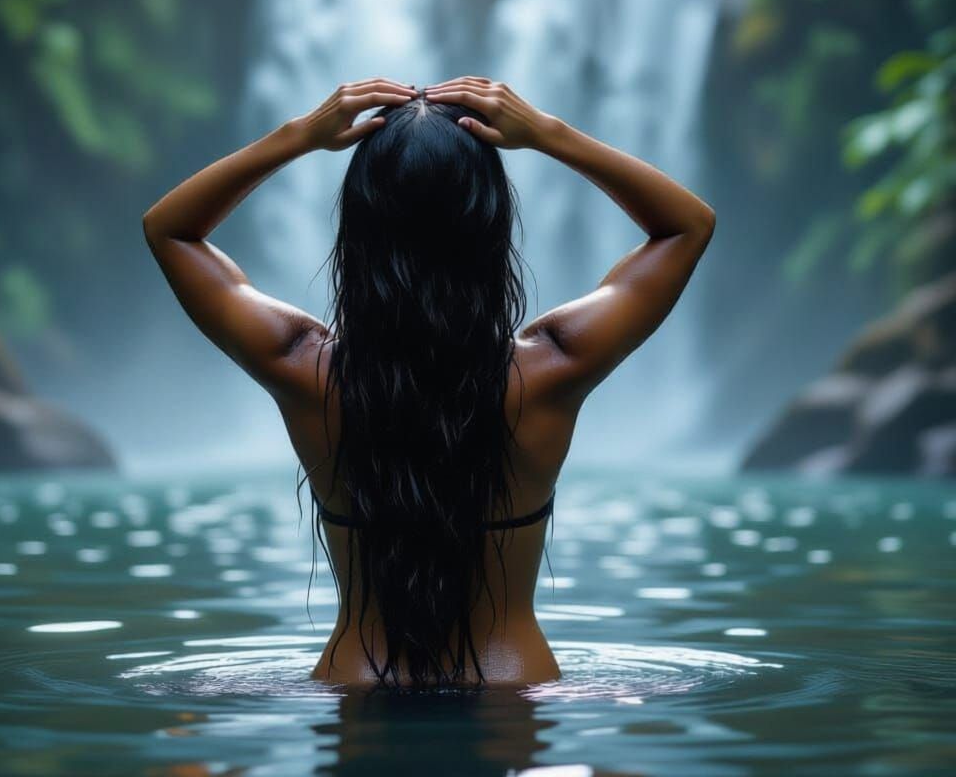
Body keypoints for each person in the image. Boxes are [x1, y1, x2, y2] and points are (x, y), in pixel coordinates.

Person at [142, 76, 715, 690]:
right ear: (491, 227)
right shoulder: (554, 364)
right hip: (508, 686)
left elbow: (170, 230)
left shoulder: (301, 365)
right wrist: (547, 134)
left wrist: (300, 136)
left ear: (357, 231)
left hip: (359, 683)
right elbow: (686, 225)